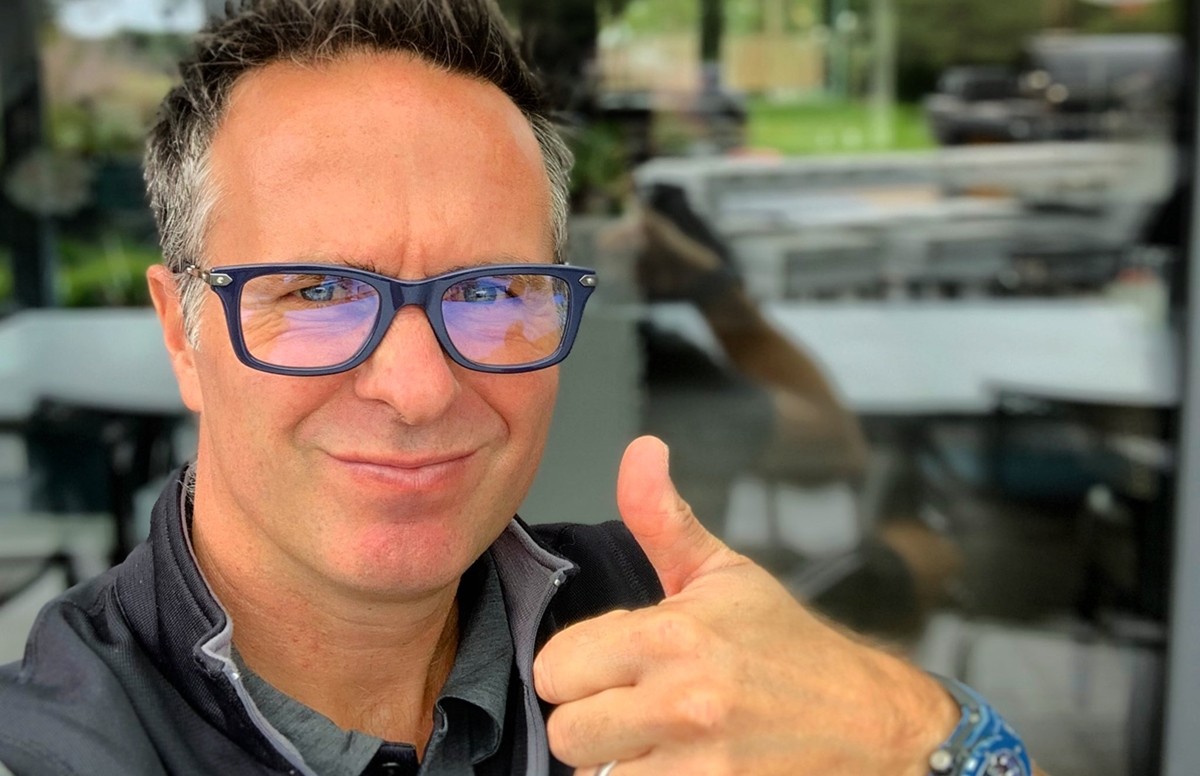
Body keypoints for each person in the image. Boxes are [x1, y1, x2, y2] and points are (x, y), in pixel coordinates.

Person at [0, 2, 1042, 775]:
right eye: (316, 291)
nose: (416, 387)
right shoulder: (56, 742)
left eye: (493, 290)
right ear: (181, 332)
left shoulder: (665, 631)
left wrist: (909, 730)